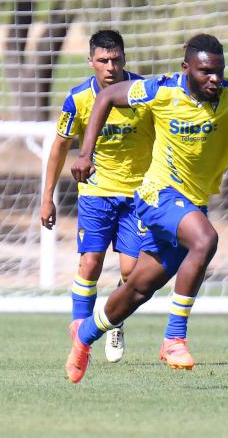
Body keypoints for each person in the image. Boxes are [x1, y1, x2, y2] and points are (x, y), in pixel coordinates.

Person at [65, 33, 228, 383]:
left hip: (191, 204)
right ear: (186, 68)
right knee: (205, 240)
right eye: (205, 71)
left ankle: (83, 339)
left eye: (218, 70)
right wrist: (85, 153)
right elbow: (108, 96)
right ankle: (174, 338)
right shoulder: (162, 90)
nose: (214, 79)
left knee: (138, 290)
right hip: (158, 194)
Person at [40, 30, 154, 364]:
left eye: (116, 59)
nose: (110, 67)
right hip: (96, 192)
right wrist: (47, 197)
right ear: (91, 62)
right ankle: (80, 331)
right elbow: (59, 147)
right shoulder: (77, 99)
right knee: (90, 262)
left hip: (139, 193)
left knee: (133, 273)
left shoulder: (144, 94)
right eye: (103, 60)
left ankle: (114, 319)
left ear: (124, 59)